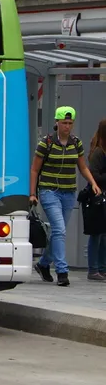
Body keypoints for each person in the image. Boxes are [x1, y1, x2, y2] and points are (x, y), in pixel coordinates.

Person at [30, 106, 102, 287]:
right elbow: (35, 170)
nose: (67, 126)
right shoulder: (46, 143)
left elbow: (83, 166)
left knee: (58, 232)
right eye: (64, 123)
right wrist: (32, 193)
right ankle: (62, 271)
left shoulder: (75, 143)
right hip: (49, 191)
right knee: (59, 229)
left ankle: (44, 264)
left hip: (69, 192)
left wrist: (93, 182)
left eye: (70, 123)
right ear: (57, 122)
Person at [85, 118, 106, 281]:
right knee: (97, 234)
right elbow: (94, 175)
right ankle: (94, 269)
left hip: (102, 198)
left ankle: (101, 268)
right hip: (98, 198)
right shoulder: (99, 152)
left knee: (103, 235)